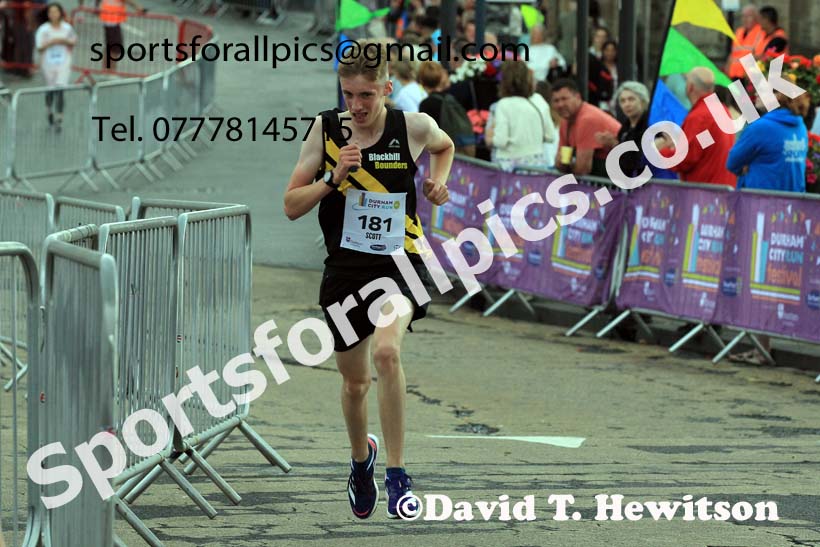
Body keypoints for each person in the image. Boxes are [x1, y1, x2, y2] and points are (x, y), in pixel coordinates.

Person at [283, 40, 454, 520]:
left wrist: (439, 182)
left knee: (386, 351)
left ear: (387, 89)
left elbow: (445, 146)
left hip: (400, 263)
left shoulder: (412, 127)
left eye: (366, 95)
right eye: (349, 95)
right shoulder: (326, 129)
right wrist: (333, 177)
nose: (356, 106)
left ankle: (397, 473)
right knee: (355, 383)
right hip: (345, 271)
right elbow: (291, 205)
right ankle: (361, 461)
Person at [660, 67, 736, 186]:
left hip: (704, 190)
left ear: (690, 87)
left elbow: (687, 159)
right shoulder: (721, 110)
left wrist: (659, 152)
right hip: (720, 187)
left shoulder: (699, 117)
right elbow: (702, 145)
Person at [484, 61, 555, 171]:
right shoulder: (539, 100)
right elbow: (550, 136)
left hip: (509, 166)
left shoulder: (503, 104)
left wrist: (489, 139)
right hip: (537, 164)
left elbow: (501, 141)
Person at [551, 77, 620, 177]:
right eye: (556, 101)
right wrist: (565, 164)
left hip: (619, 176)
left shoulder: (587, 119)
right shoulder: (565, 121)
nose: (560, 104)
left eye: (564, 99)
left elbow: (583, 169)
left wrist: (567, 165)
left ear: (578, 97)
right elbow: (559, 163)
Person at [594, 81, 651, 179]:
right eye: (622, 101)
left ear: (642, 101)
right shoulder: (625, 126)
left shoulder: (649, 125)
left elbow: (635, 159)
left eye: (631, 99)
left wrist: (614, 145)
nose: (627, 104)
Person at [418, 61, 476, 156]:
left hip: (439, 155)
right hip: (458, 151)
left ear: (422, 82)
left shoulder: (426, 105)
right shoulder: (452, 97)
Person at [35, 2, 76, 132]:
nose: (53, 14)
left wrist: (63, 41)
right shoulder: (43, 30)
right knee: (50, 90)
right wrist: (51, 43)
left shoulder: (67, 28)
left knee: (60, 89)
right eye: (51, 12)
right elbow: (39, 47)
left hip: (63, 63)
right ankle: (49, 110)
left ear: (60, 13)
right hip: (48, 63)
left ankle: (59, 117)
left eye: (56, 12)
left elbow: (73, 41)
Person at [99, 0, 144, 71]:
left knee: (110, 46)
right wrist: (138, 8)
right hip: (112, 19)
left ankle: (106, 69)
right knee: (115, 47)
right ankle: (111, 70)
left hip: (108, 18)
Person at [725, 4, 764, 80]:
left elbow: (760, 56)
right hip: (733, 74)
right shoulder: (739, 32)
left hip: (748, 76)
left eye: (749, 16)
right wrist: (727, 68)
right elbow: (733, 54)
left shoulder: (761, 32)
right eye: (743, 16)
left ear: (756, 18)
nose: (745, 19)